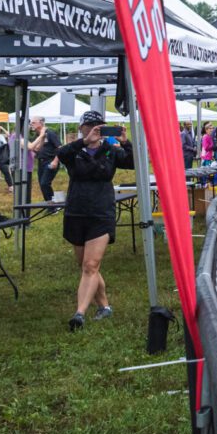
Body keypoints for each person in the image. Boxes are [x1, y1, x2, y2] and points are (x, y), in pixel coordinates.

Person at [57, 110, 134, 331]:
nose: (95, 129)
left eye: (99, 126)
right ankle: (105, 307)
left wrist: (125, 143)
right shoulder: (74, 151)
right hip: (76, 212)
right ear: (81, 128)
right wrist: (84, 141)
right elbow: (61, 154)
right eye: (90, 126)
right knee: (85, 265)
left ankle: (79, 313)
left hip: (101, 212)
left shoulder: (110, 150)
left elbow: (131, 162)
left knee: (91, 265)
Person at [28, 116, 60, 202]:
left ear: (41, 123)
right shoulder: (37, 135)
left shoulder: (50, 133)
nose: (31, 124)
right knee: (42, 184)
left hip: (50, 161)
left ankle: (53, 206)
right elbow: (35, 148)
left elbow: (60, 148)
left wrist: (55, 161)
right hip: (41, 162)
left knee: (45, 183)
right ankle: (49, 203)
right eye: (31, 123)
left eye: (33, 123)